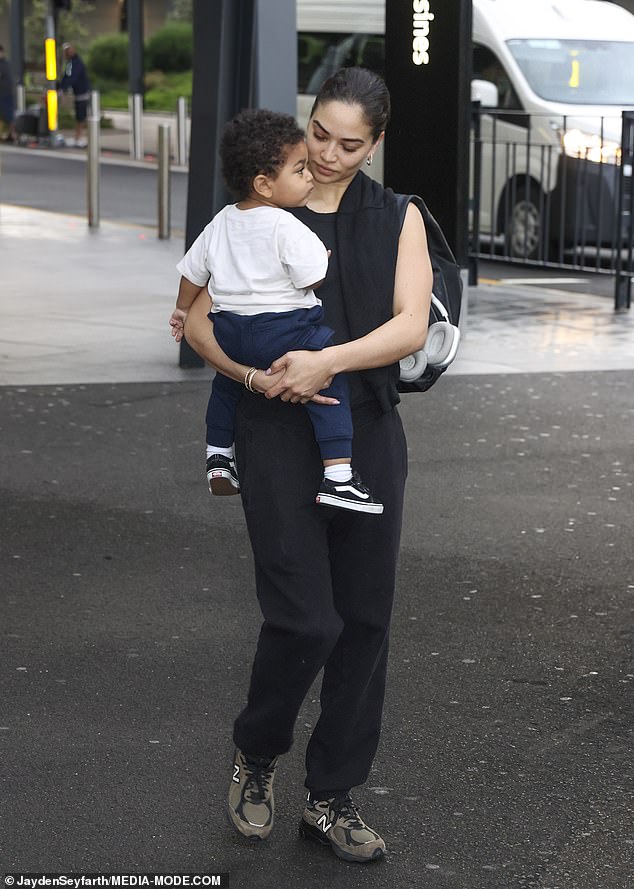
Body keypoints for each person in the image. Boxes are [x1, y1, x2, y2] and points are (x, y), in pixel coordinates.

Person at [183, 67, 433, 863]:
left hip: (366, 431)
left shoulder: (398, 216)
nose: (326, 154)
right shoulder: (255, 205)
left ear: (377, 142)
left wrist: (331, 364)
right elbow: (190, 320)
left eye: (348, 143)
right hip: (272, 431)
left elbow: (411, 327)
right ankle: (257, 753)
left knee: (364, 621)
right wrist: (254, 376)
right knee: (304, 616)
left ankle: (332, 796)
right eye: (318, 134)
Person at [170, 108, 383, 514]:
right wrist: (322, 258)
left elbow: (192, 274)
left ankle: (218, 454)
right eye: (300, 170)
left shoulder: (220, 223)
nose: (309, 177)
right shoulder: (287, 226)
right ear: (265, 184)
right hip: (283, 331)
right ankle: (338, 475)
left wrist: (182, 311)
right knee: (328, 383)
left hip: (230, 331)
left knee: (226, 385)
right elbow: (311, 278)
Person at [57, 43, 91, 148]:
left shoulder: (76, 63)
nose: (66, 54)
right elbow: (66, 76)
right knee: (79, 115)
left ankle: (80, 137)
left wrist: (63, 89)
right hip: (78, 93)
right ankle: (77, 137)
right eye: (65, 52)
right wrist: (61, 87)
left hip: (82, 92)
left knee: (81, 115)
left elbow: (72, 78)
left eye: (67, 51)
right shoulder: (70, 63)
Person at [0, 45, 17, 143]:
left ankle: (13, 134)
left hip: (5, 93)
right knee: (5, 115)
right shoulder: (4, 63)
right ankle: (11, 134)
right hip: (4, 92)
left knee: (8, 114)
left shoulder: (3, 64)